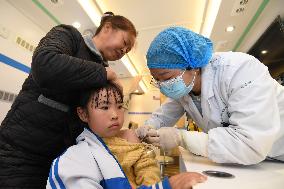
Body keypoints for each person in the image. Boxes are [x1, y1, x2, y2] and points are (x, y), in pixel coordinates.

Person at [0, 12, 137, 188]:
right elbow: (45, 64)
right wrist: (104, 73)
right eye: (125, 43)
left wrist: (120, 135)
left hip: (61, 161)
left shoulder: (102, 73)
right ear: (108, 27)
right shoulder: (70, 36)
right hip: (20, 153)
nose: (124, 51)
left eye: (128, 51)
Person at [135, 27, 284, 165]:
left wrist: (181, 138)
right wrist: (149, 126)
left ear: (192, 66)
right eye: (158, 80)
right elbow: (163, 116)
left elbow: (250, 143)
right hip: (256, 160)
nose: (163, 86)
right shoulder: (184, 88)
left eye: (166, 77)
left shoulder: (240, 70)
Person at [47, 82, 207, 189]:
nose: (115, 115)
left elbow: (148, 170)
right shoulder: (74, 159)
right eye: (104, 107)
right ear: (83, 114)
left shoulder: (129, 138)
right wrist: (166, 186)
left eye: (119, 106)